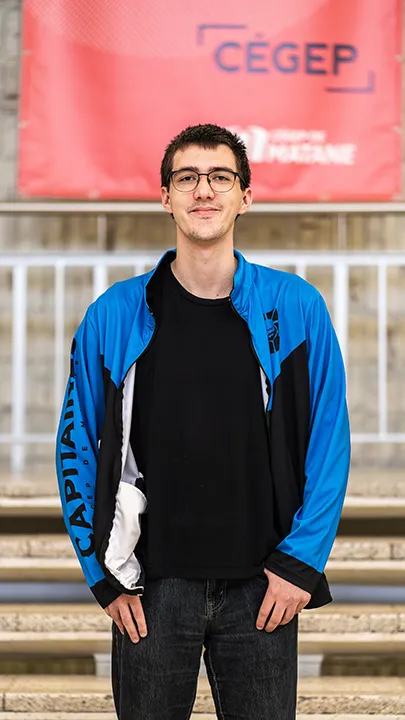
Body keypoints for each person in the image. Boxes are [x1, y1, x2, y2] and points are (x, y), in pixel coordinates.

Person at [56, 123, 350, 719]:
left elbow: (329, 444)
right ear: (165, 196)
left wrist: (300, 563)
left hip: (264, 588)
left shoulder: (296, 308)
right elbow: (74, 448)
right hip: (151, 591)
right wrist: (103, 575)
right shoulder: (114, 314)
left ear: (246, 194)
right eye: (186, 177)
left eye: (220, 177)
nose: (203, 190)